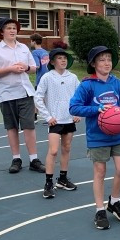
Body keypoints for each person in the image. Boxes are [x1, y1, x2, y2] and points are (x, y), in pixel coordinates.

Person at [69, 46, 120, 229]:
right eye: (102, 59)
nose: (106, 63)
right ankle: (99, 210)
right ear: (93, 64)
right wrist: (96, 109)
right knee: (100, 172)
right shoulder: (87, 85)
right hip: (97, 136)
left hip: (118, 134)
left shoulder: (118, 84)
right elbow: (74, 108)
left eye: (109, 59)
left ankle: (114, 202)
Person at [0, 18, 46, 174]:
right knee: (12, 127)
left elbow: (34, 68)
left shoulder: (23, 48)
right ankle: (16, 158)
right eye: (8, 28)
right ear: (2, 31)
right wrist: (10, 69)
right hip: (6, 93)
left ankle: (34, 159)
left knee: (29, 126)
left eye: (14, 28)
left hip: (25, 92)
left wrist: (27, 67)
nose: (12, 30)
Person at [34, 48, 80, 199]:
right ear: (53, 62)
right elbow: (38, 97)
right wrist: (47, 116)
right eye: (59, 58)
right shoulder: (47, 77)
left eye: (65, 58)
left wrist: (76, 113)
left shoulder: (73, 77)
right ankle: (48, 183)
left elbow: (80, 96)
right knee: (53, 151)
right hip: (55, 121)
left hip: (69, 119)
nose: (63, 60)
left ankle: (62, 179)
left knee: (66, 148)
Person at [30, 33, 49, 124]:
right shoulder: (45, 52)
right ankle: (40, 116)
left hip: (41, 78)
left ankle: (35, 117)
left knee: (37, 98)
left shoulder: (35, 52)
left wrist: (28, 67)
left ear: (34, 41)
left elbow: (36, 66)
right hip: (48, 77)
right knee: (46, 98)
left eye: (31, 41)